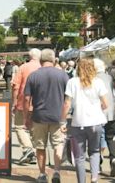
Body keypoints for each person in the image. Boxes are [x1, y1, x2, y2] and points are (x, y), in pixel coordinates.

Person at [24, 49, 69, 183]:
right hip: (58, 116)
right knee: (58, 145)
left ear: (41, 60)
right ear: (54, 60)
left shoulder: (33, 76)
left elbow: (26, 98)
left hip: (39, 116)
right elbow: (68, 99)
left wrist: (27, 117)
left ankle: (42, 174)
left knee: (40, 146)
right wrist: (64, 117)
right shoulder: (63, 76)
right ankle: (56, 171)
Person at [62, 58, 108, 183]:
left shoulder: (72, 82)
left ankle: (81, 181)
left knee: (79, 156)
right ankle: (94, 177)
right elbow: (105, 103)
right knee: (94, 151)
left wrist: (63, 120)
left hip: (79, 122)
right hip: (96, 122)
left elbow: (67, 103)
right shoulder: (98, 82)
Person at [12, 48, 41, 164]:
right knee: (34, 129)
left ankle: (28, 149)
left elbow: (15, 87)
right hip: (39, 103)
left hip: (22, 102)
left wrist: (14, 101)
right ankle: (33, 152)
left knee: (19, 126)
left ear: (29, 56)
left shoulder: (23, 67)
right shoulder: (43, 68)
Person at [93, 58, 115, 177]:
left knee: (97, 137)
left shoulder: (93, 79)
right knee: (111, 137)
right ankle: (113, 158)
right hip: (111, 111)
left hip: (99, 112)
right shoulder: (108, 77)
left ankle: (98, 164)